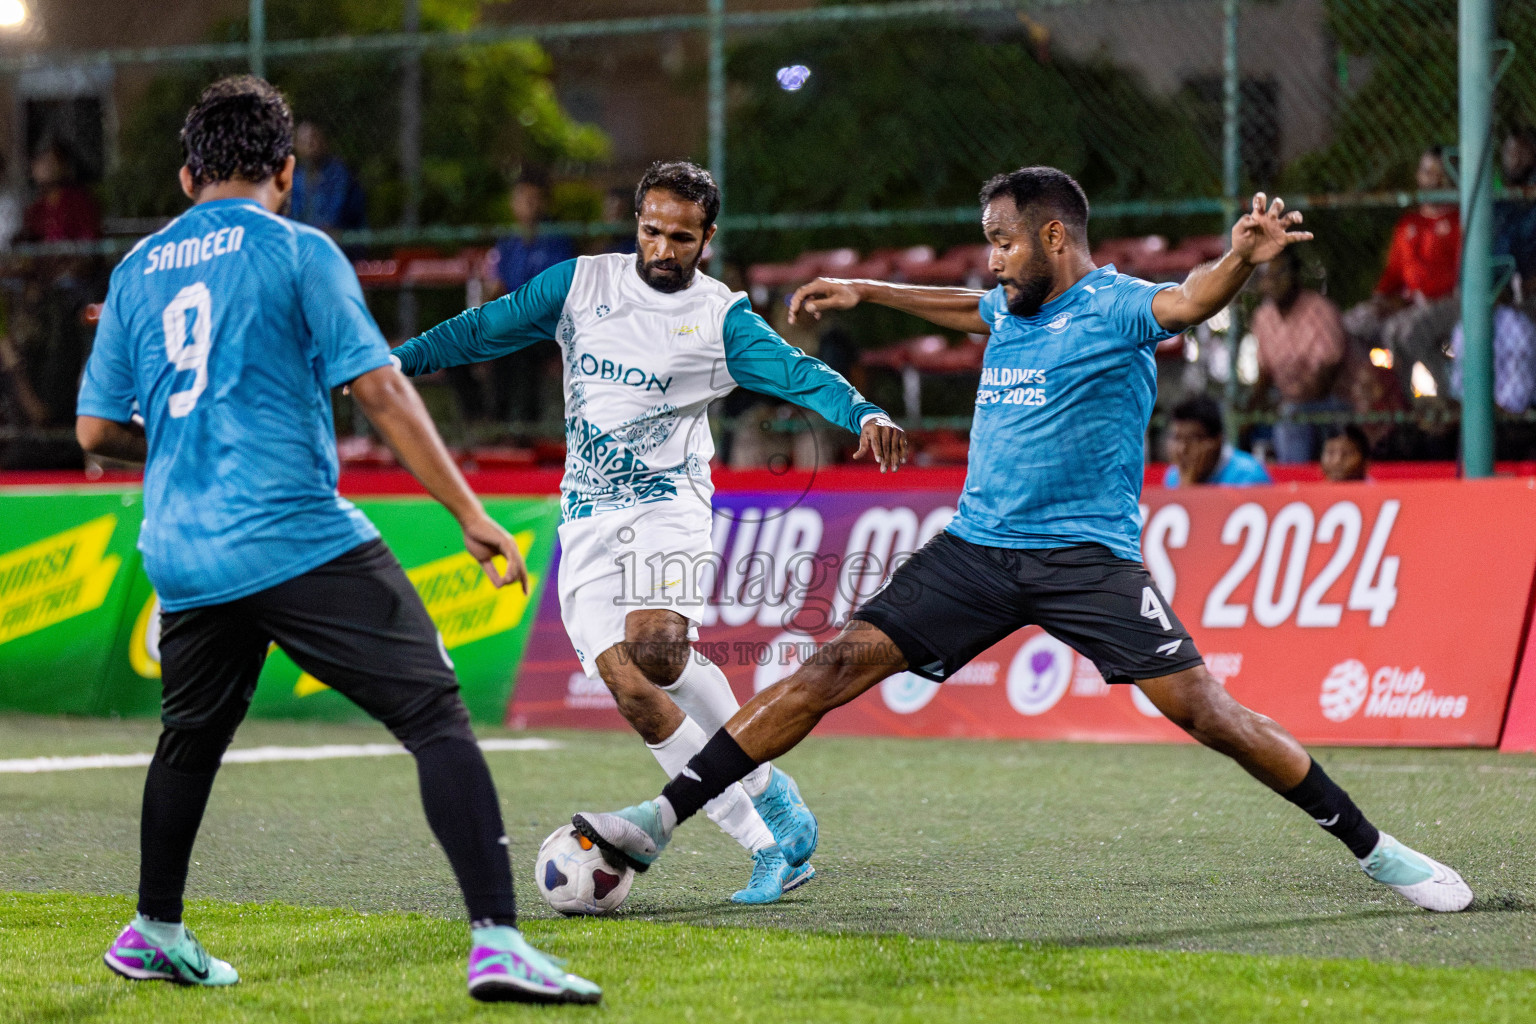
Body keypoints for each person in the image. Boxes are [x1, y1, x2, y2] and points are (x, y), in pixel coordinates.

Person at [574, 167, 1473, 918]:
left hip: (1085, 562)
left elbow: (1191, 299)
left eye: (1002, 241)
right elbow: (966, 306)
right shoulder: (1009, 303)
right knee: (829, 669)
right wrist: (868, 289)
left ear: (1052, 238)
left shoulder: (1119, 305)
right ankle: (657, 821)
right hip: (975, 552)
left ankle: (1378, 850)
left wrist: (1238, 257)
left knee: (1209, 713)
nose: (992, 260)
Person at [75, 77, 599, 1005]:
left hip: (184, 550)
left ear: (188, 172)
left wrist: (191, 439)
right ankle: (499, 942)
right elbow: (382, 389)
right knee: (435, 714)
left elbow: (94, 433)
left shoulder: (134, 271)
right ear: (284, 170)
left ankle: (155, 927)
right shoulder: (298, 249)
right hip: (291, 533)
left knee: (189, 739)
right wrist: (472, 514)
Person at [390, 160, 907, 904]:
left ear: (708, 238)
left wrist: (863, 412)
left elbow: (798, 372)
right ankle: (769, 819)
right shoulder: (579, 286)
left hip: (670, 508)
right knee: (634, 688)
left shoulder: (719, 316)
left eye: (682, 238)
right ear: (637, 223)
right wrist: (391, 363)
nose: (664, 250)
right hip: (589, 517)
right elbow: (481, 331)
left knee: (659, 651)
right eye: (652, 231)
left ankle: (770, 836)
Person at [1342, 148, 1461, 397]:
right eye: (1428, 172)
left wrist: (1407, 302)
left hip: (1445, 302)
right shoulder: (1408, 224)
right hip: (1405, 303)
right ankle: (1376, 395)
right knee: (1350, 325)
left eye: (1440, 174)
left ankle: (1440, 399)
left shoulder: (1459, 221)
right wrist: (1381, 300)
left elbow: (1457, 277)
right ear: (1419, 175)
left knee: (1402, 332)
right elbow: (1394, 273)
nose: (1434, 180)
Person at [478, 168, 576, 426]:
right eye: (522, 198)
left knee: (522, 344)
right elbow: (495, 291)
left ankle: (526, 426)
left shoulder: (558, 242)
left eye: (534, 199)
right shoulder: (507, 244)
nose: (528, 205)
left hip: (549, 330)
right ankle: (488, 422)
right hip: (513, 325)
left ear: (544, 202)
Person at [1249, 248, 1346, 463]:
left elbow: (1326, 379)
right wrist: (1249, 410)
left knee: (1290, 415)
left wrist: (1284, 404)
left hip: (1332, 399)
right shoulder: (1262, 317)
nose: (1273, 281)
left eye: (1279, 274)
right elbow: (1265, 375)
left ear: (1295, 274)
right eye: (1266, 276)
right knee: (1233, 414)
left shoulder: (1320, 310)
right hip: (1285, 400)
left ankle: (1295, 482)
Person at [1163, 395, 1272, 487]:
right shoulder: (1173, 475)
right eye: (1176, 438)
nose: (1182, 449)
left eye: (1193, 439)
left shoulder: (1247, 476)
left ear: (1218, 440)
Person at [288, 121, 366, 233]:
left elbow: (334, 220)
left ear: (324, 141)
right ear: (296, 145)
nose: (309, 143)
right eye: (303, 140)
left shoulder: (341, 175)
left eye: (313, 137)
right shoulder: (295, 177)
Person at [1494, 126, 1536, 299]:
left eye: (1521, 152)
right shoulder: (1495, 204)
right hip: (1499, 292)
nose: (1515, 158)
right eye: (1510, 152)